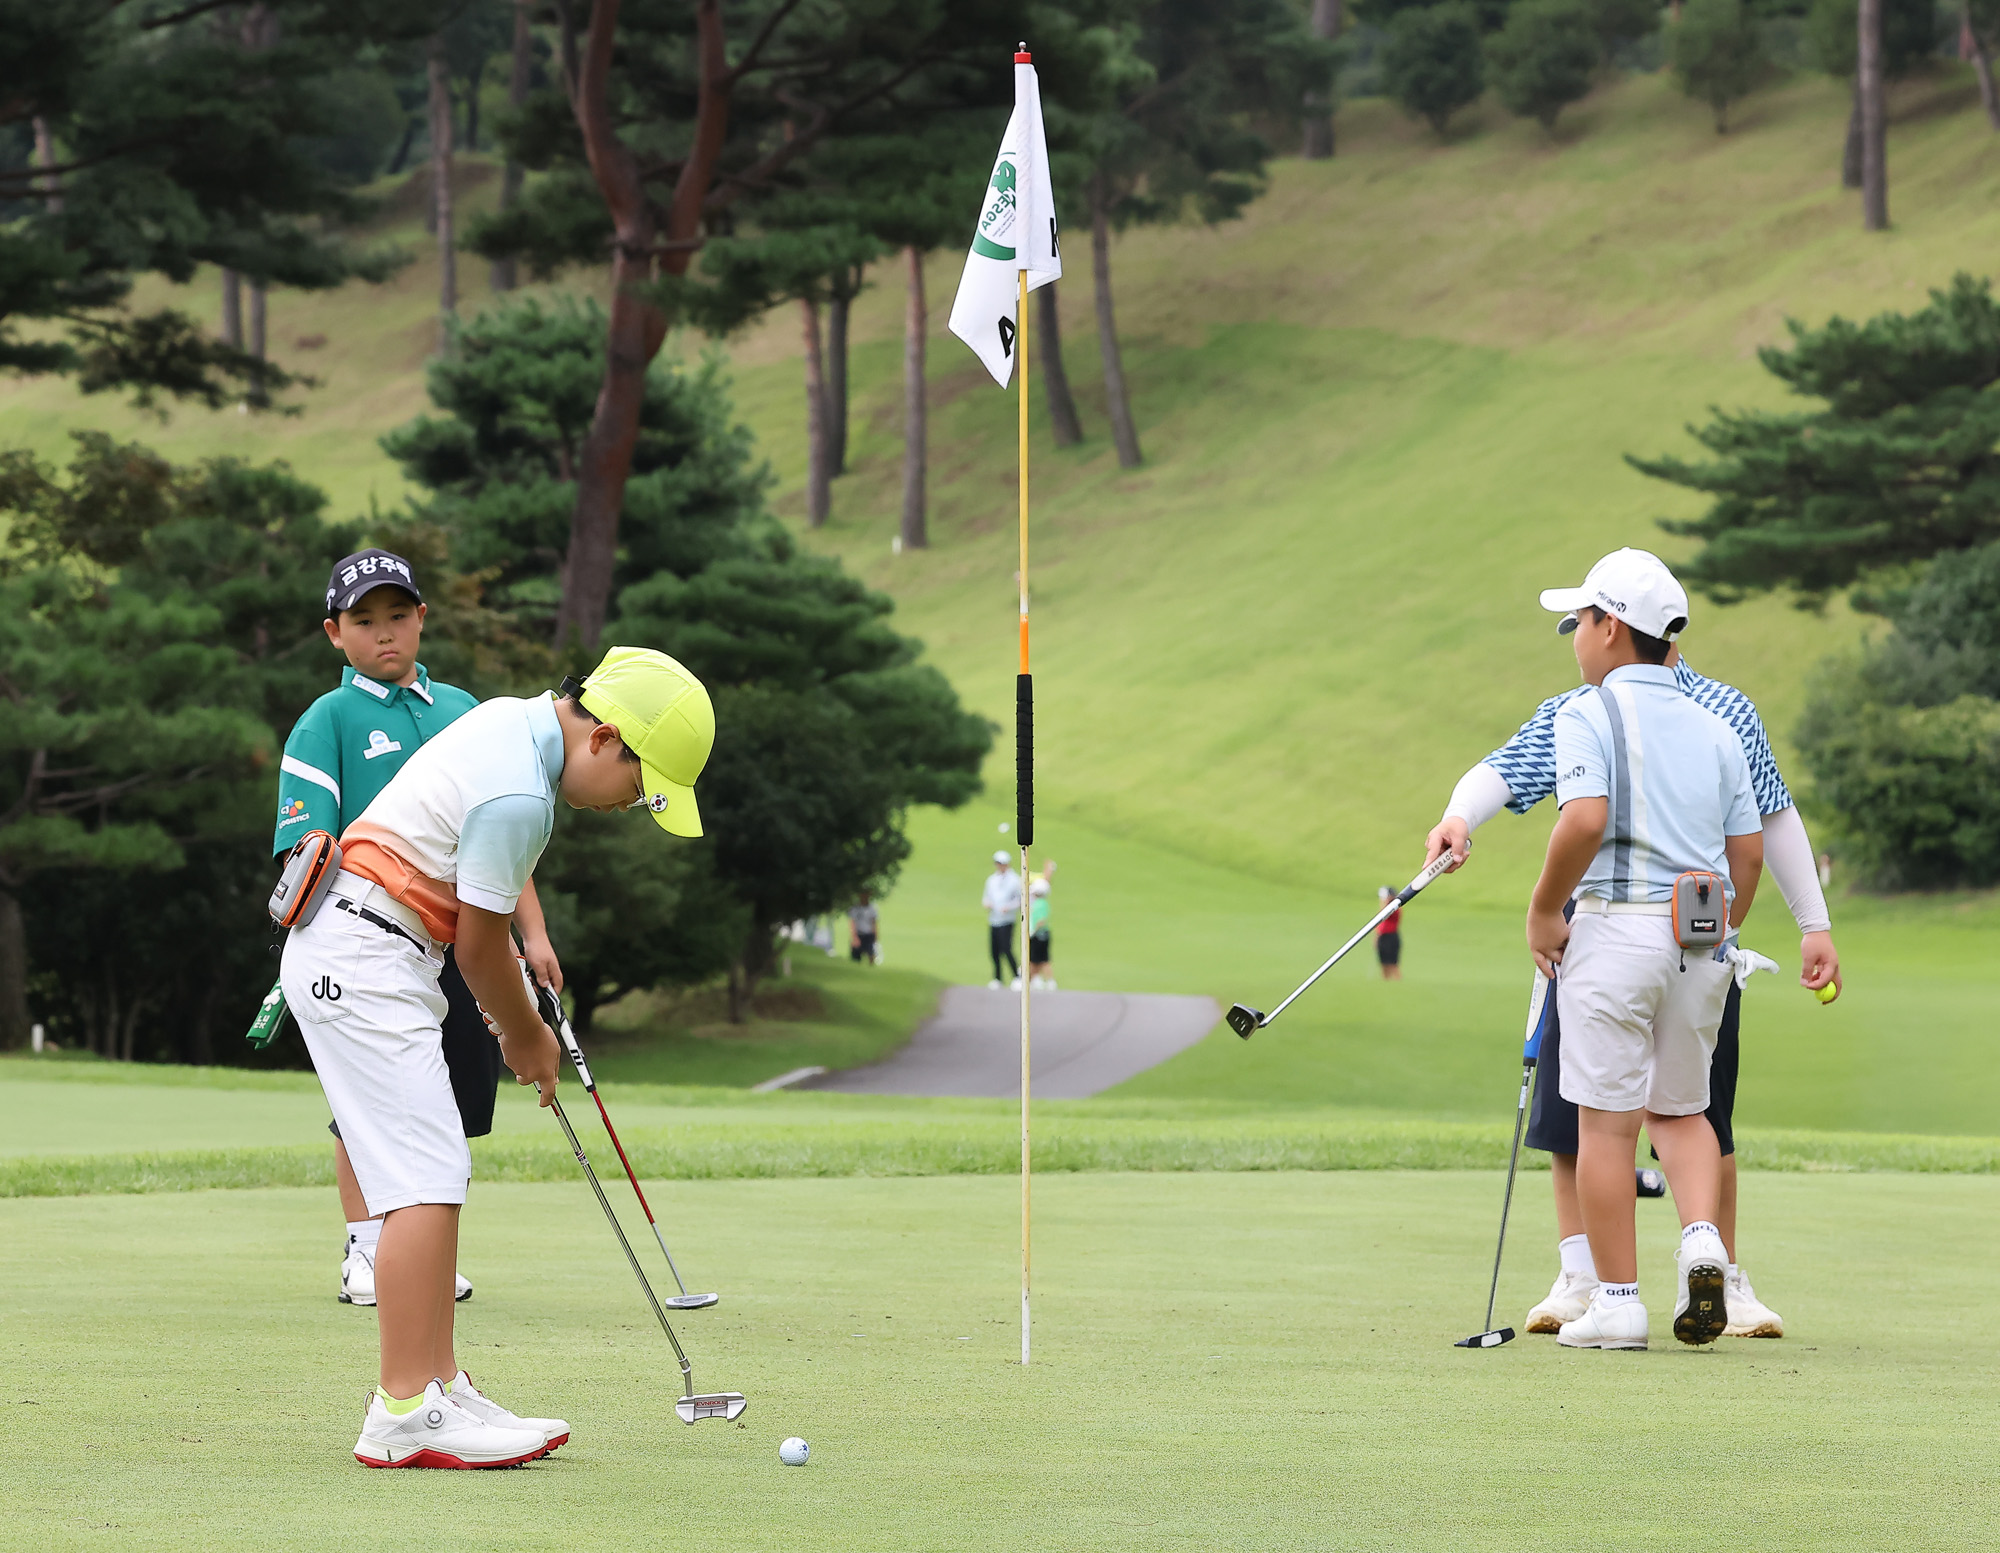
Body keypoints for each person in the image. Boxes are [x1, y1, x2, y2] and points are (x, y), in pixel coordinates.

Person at [279, 645, 714, 1467]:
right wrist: (527, 1036)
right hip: (364, 952)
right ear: (606, 737)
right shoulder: (523, 794)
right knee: (423, 1176)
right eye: (640, 785)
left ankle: (436, 1384)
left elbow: (478, 926)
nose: (632, 806)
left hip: (369, 944)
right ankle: (405, 1408)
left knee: (432, 1168)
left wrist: (516, 1017)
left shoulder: (510, 721)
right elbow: (481, 948)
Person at [1426, 547, 1840, 1343]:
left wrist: (1543, 909)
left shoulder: (1588, 709)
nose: (1572, 635)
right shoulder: (1718, 718)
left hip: (1612, 932)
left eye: (1576, 620)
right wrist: (1725, 931)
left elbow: (1577, 817)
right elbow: (1750, 844)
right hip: (1700, 938)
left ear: (1611, 628)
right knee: (1688, 1115)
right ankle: (1700, 1247)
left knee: (1606, 1124)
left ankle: (1615, 1301)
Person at [270, 549, 563, 1308]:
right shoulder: (327, 719)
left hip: (465, 940)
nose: (385, 635)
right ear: (334, 634)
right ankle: (368, 1248)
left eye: (398, 616)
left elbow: (504, 847)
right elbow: (306, 847)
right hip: (371, 936)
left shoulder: (464, 709)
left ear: (422, 617)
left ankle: (415, 1245)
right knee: (366, 1101)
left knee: (454, 1091)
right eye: (364, 622)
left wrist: (533, 936)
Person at [981, 851, 1023, 989]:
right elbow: (986, 897)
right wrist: (988, 903)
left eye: (1002, 863)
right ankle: (997, 978)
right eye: (998, 863)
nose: (1000, 866)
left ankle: (1017, 977)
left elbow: (1020, 900)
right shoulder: (991, 880)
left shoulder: (1015, 880)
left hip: (1007, 919)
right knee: (994, 951)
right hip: (994, 919)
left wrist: (1008, 907)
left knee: (1006, 949)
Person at [1027, 876, 1055, 990]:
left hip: (1039, 935)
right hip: (1038, 935)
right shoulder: (1039, 902)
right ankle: (1033, 979)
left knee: (1040, 960)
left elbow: (1041, 921)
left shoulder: (1041, 903)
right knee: (1036, 960)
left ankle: (1045, 980)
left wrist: (1032, 931)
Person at [1374, 886, 1403, 980]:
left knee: (1392, 964)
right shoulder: (1386, 907)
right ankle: (1386, 984)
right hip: (1382, 937)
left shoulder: (1395, 908)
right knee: (1383, 964)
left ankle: (1397, 982)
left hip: (1391, 937)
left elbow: (1386, 913)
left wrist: (1385, 902)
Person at [848, 891, 880, 964]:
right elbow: (852, 923)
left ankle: (871, 970)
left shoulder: (872, 908)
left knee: (871, 954)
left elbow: (874, 923)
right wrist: (854, 936)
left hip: (869, 934)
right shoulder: (855, 908)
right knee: (856, 956)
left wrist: (875, 936)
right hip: (858, 933)